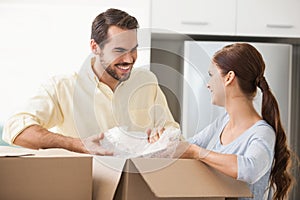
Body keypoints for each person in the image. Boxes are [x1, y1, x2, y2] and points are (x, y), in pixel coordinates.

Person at [2, 8, 179, 155]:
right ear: (95, 47)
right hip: (84, 184)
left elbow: (172, 132)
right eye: (119, 50)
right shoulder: (62, 87)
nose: (129, 59)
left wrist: (163, 136)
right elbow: (16, 129)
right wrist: (78, 145)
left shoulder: (146, 81)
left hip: (136, 185)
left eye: (133, 49)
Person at [180, 43, 293, 200]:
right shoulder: (222, 123)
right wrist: (163, 139)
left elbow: (250, 170)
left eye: (211, 75)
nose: (208, 84)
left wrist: (197, 153)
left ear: (229, 78)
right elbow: (187, 146)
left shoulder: (262, 132)